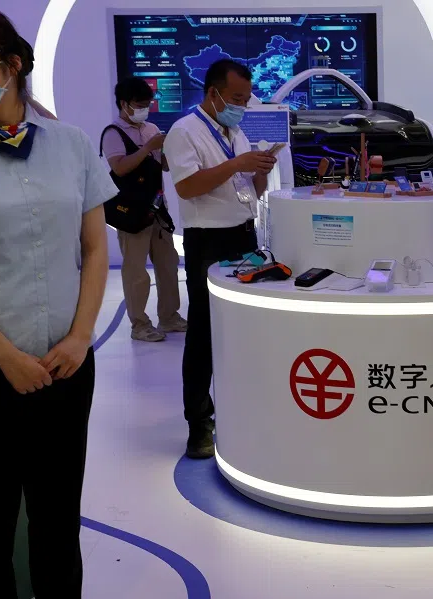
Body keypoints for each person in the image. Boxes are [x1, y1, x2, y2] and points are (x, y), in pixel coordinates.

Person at [0, 8, 117, 597]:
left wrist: (80, 337)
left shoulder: (72, 143)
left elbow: (93, 248)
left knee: (58, 519)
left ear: (9, 67)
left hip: (67, 367)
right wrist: (6, 357)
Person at [164, 59, 277, 459]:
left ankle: (238, 409)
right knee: (204, 331)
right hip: (206, 241)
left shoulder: (237, 131)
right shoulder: (184, 132)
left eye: (246, 98)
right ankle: (199, 423)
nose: (242, 105)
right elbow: (188, 187)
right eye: (235, 98)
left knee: (240, 325)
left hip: (243, 235)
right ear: (212, 93)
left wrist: (261, 169)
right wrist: (237, 163)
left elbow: (252, 189)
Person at [102, 76, 186, 342]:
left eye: (147, 104)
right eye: (139, 104)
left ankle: (169, 316)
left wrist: (168, 150)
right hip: (131, 212)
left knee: (168, 264)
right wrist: (148, 148)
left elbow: (165, 167)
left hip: (158, 208)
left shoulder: (151, 128)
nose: (144, 109)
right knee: (136, 271)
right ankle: (139, 323)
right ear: (124, 104)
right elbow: (119, 167)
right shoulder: (113, 133)